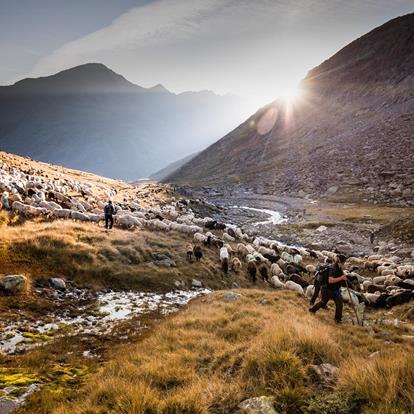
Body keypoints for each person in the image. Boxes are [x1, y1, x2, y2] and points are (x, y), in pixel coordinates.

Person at [309, 255, 347, 323]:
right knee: (323, 303)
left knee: (339, 303)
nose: (344, 263)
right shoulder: (333, 268)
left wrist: (343, 279)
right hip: (327, 289)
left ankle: (337, 320)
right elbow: (330, 280)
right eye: (344, 262)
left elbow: (340, 278)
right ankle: (312, 310)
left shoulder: (339, 268)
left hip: (335, 290)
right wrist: (341, 278)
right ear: (340, 261)